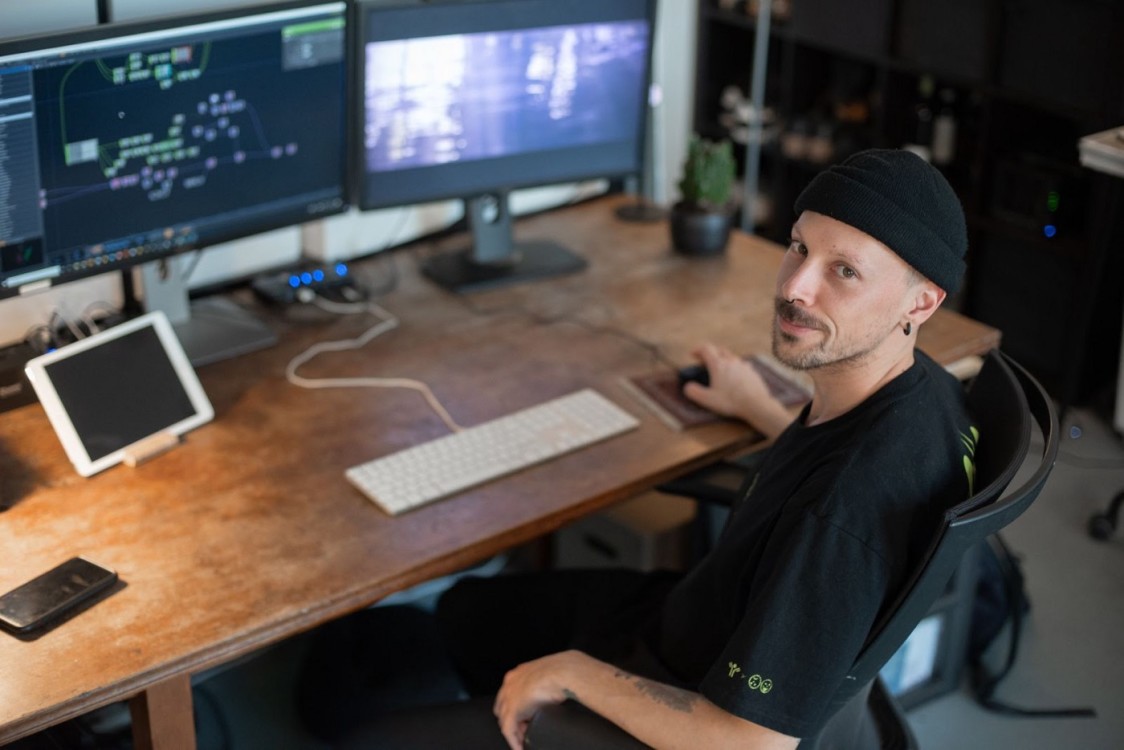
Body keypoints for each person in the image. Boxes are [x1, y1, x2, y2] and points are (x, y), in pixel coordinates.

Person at [338, 148, 979, 749]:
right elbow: (831, 463)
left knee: (367, 738)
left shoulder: (843, 514)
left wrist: (575, 675)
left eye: (844, 271)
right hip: (688, 620)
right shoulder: (924, 396)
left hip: (691, 695)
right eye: (798, 247)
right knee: (468, 611)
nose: (796, 288)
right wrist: (759, 406)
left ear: (921, 303)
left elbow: (752, 742)